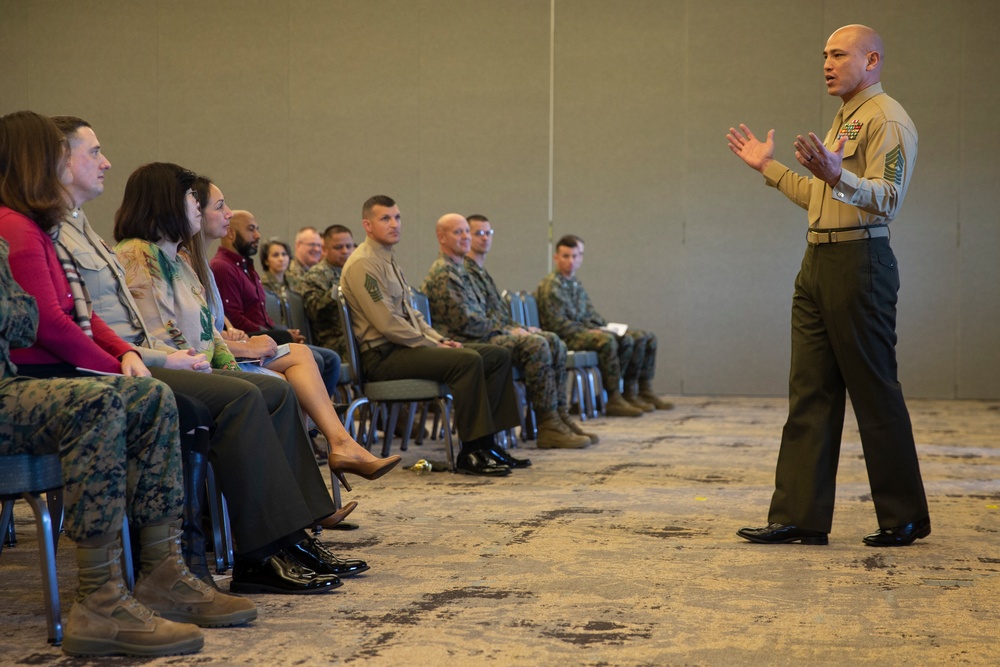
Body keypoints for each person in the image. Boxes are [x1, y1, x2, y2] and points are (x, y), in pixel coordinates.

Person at [51, 115, 362, 593]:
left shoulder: (170, 257)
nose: (200, 207)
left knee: (277, 392)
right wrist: (202, 361)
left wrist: (225, 359)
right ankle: (261, 552)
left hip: (156, 361)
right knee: (250, 394)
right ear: (167, 204)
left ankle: (293, 535)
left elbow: (206, 330)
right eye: (193, 199)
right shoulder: (135, 253)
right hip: (139, 367)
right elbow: (151, 331)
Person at [0, 110, 248, 656]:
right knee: (99, 403)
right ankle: (99, 601)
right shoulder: (14, 227)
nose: (95, 162)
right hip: (12, 385)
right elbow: (46, 324)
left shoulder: (36, 227)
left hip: (33, 381)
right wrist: (115, 365)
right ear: (35, 161)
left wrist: (127, 355)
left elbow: (79, 316)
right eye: (63, 153)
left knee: (152, 397)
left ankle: (163, 572)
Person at [726, 24, 930, 547]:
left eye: (839, 54)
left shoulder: (887, 118)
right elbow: (821, 197)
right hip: (818, 260)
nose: (827, 64)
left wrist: (838, 176)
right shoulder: (845, 118)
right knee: (809, 391)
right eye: (825, 55)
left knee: (874, 391)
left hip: (859, 262)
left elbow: (888, 198)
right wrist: (769, 167)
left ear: (872, 61)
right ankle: (800, 515)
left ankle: (905, 516)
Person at [113, 164, 401, 496]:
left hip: (205, 359)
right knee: (283, 385)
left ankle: (321, 478)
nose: (228, 213)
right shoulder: (144, 255)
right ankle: (307, 491)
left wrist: (231, 351)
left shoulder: (181, 260)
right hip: (182, 367)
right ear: (170, 203)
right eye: (213, 204)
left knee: (300, 362)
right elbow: (164, 333)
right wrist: (240, 353)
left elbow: (207, 329)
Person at [340, 195, 522, 476]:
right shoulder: (363, 263)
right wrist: (431, 345)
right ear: (367, 225)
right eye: (385, 218)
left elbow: (413, 315)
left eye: (397, 217)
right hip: (382, 356)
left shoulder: (387, 258)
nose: (394, 224)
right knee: (466, 360)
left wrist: (439, 341)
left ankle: (489, 445)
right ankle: (471, 452)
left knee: (497, 355)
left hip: (404, 349)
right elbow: (387, 323)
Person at [422, 213, 591, 450]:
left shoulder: (463, 270)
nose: (469, 237)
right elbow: (467, 323)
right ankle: (548, 425)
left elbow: (494, 314)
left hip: (482, 336)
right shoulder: (446, 273)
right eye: (462, 232)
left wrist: (517, 328)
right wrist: (510, 332)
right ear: (442, 237)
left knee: (553, 340)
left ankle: (558, 415)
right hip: (463, 342)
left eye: (470, 232)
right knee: (536, 345)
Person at [536, 236, 673, 417]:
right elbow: (557, 324)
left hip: (582, 332)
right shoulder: (551, 286)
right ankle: (613, 397)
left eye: (575, 256)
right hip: (566, 337)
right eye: (566, 256)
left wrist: (603, 327)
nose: (571, 261)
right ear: (556, 258)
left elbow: (590, 314)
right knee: (607, 341)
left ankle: (636, 392)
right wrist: (590, 331)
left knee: (643, 337)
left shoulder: (574, 284)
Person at [210, 208, 340, 396]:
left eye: (257, 229)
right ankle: (312, 411)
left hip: (262, 335)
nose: (258, 235)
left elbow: (260, 317)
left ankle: (318, 409)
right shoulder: (222, 267)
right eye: (251, 229)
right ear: (231, 233)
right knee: (321, 359)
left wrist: (281, 331)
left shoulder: (246, 266)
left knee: (328, 358)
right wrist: (281, 334)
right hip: (249, 341)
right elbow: (235, 320)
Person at [298, 224, 356, 356]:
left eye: (349, 246)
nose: (345, 251)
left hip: (357, 331)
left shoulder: (357, 271)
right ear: (325, 249)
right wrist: (340, 287)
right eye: (338, 247)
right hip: (333, 340)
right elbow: (315, 311)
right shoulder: (315, 275)